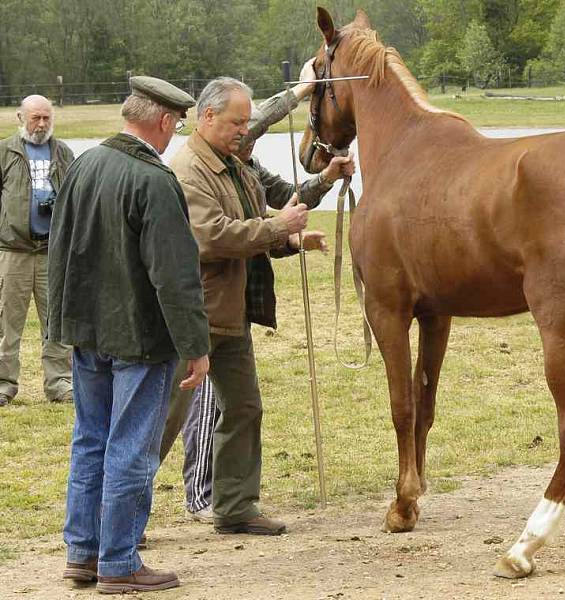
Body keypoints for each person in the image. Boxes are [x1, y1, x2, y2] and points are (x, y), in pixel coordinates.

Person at [159, 73, 353, 536]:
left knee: (244, 408)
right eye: (237, 122)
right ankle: (118, 516)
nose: (245, 130)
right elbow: (211, 237)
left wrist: (294, 230)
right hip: (196, 316)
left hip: (232, 314)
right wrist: (277, 228)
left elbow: (266, 216)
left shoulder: (235, 165)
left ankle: (235, 506)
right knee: (163, 419)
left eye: (247, 121)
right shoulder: (188, 170)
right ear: (207, 117)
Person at [49, 76, 210, 593]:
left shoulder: (83, 164)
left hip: (87, 332)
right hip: (140, 339)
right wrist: (196, 347)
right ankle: (119, 562)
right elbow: (176, 276)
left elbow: (60, 250)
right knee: (131, 449)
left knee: (90, 441)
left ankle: (83, 554)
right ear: (163, 121)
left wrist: (63, 324)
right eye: (177, 124)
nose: (176, 134)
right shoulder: (154, 180)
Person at [0, 95, 73, 406]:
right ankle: (3, 385)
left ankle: (60, 384)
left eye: (46, 118)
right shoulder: (5, 151)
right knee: (6, 324)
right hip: (13, 251)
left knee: (56, 323)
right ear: (21, 117)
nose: (41, 124)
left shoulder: (63, 152)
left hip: (50, 252)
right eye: (35, 118)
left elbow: (73, 199)